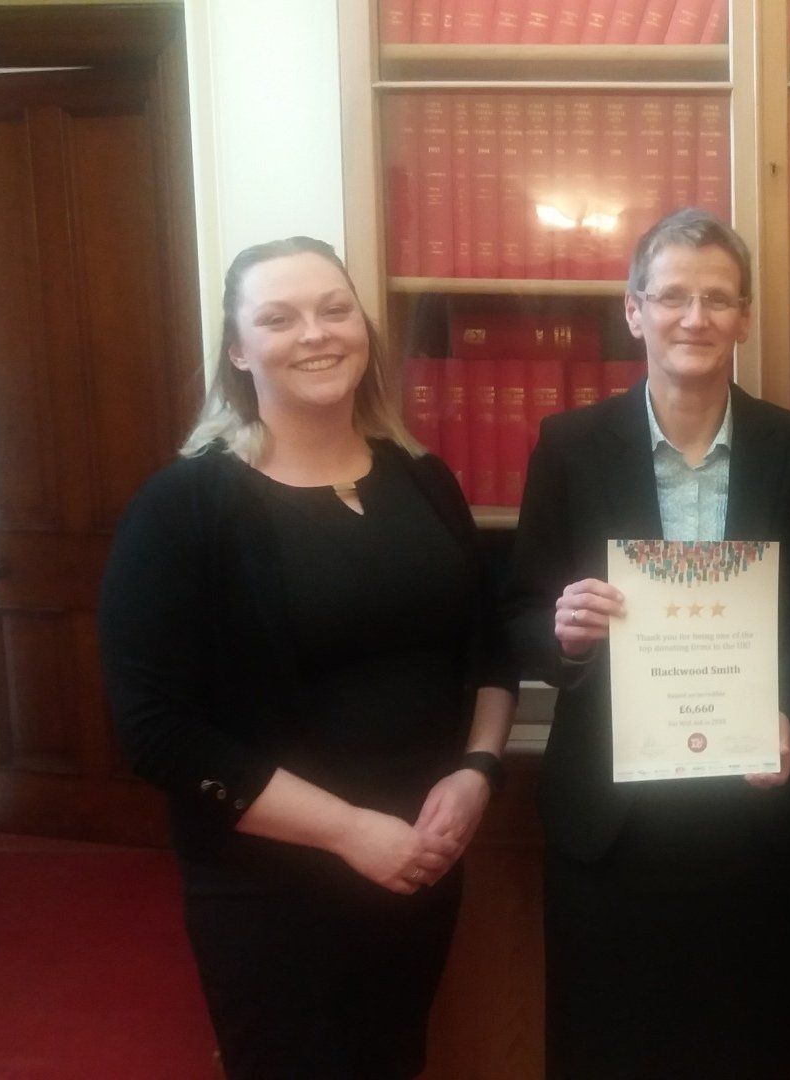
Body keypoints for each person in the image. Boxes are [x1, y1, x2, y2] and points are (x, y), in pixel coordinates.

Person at [97, 236, 517, 1079]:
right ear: (237, 349)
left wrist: (477, 771)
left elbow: (489, 646)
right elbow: (155, 731)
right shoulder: (183, 506)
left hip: (419, 863)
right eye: (278, 318)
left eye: (334, 309)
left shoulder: (421, 478)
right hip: (270, 888)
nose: (316, 333)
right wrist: (352, 832)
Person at [502, 207, 790, 1079]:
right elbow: (517, 614)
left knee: (745, 1045)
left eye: (718, 299)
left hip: (750, 812)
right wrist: (562, 634)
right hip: (611, 824)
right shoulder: (568, 447)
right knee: (607, 1047)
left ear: (745, 318)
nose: (696, 317)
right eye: (674, 295)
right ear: (634, 309)